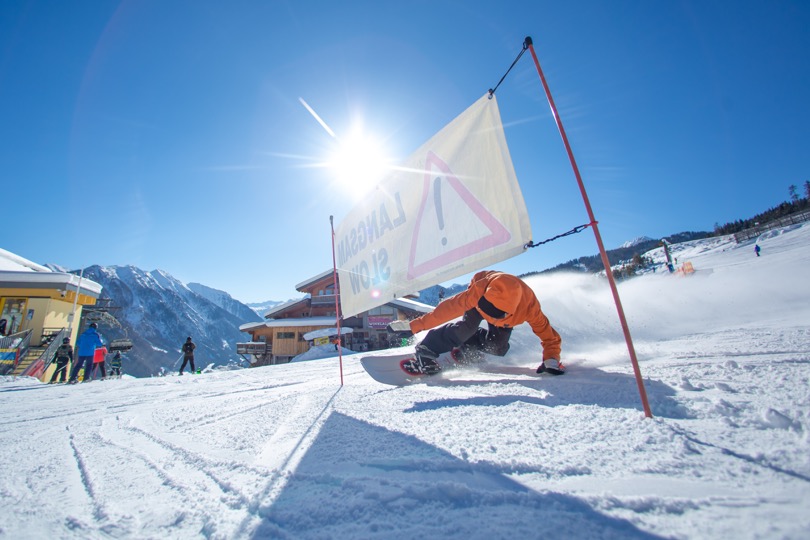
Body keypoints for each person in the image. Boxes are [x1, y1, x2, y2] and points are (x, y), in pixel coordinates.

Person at [387, 270, 564, 376]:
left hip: (505, 319)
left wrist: (551, 359)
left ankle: (469, 344)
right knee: (466, 328)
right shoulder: (478, 294)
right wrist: (413, 326)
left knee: (499, 348)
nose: (488, 315)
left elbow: (549, 337)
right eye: (487, 308)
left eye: (493, 313)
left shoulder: (530, 309)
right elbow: (445, 311)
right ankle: (428, 348)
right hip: (479, 302)